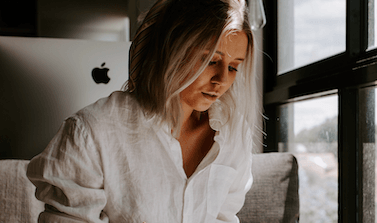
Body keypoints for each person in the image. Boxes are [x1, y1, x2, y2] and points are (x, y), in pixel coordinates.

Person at [26, 0, 261, 222]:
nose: (221, 79)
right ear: (172, 50)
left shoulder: (234, 132)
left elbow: (224, 216)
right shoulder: (91, 133)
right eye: (210, 60)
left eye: (233, 67)